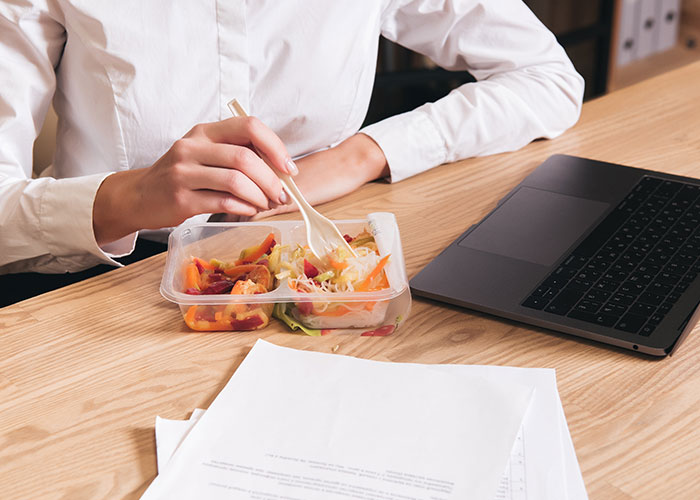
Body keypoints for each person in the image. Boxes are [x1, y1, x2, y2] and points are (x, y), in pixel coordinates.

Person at [0, 1, 584, 300]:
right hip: (100, 286)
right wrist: (130, 198)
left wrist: (365, 153)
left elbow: (547, 78)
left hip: (317, 273)